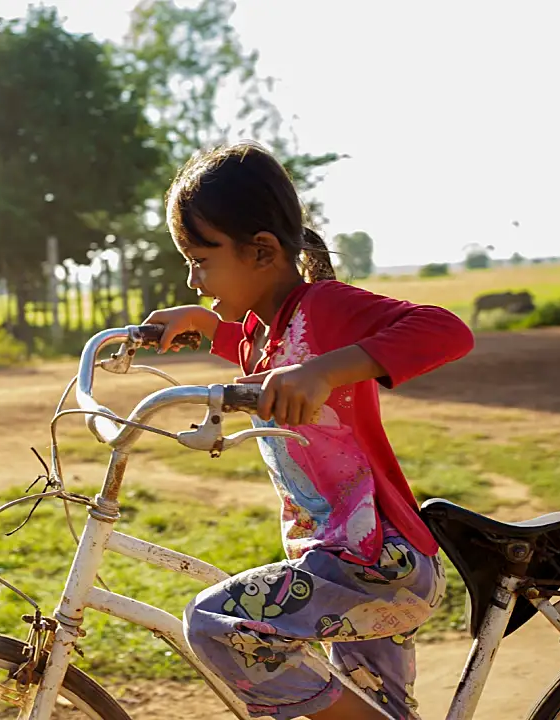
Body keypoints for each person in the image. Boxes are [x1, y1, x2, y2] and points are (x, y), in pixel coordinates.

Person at [144, 142, 475, 720]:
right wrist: (209, 327)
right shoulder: (258, 334)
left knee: (217, 626)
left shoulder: (321, 307)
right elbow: (269, 360)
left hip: (374, 561)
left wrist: (324, 371)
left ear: (262, 251)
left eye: (200, 259)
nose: (194, 279)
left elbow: (446, 331)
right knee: (382, 708)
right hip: (338, 562)